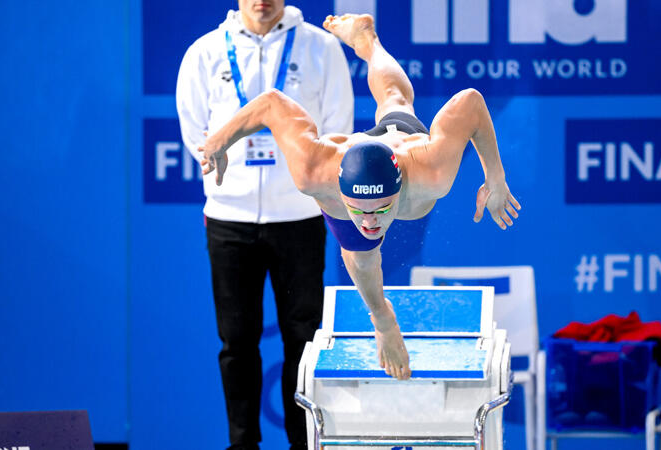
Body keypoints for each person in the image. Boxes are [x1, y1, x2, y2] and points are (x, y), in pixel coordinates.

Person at [201, 13, 522, 382]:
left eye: (381, 209)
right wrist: (220, 139)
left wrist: (495, 177)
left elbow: (470, 102)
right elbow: (272, 104)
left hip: (400, 145)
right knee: (363, 259)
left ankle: (366, 39)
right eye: (362, 210)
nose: (370, 222)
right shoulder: (315, 172)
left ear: (399, 188)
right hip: (344, 166)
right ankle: (384, 321)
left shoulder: (430, 170)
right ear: (342, 194)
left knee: (396, 99)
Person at [176, 2, 353, 449]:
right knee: (236, 341)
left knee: (303, 340)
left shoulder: (321, 48)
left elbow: (338, 132)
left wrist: (302, 176)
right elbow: (197, 133)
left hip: (300, 217)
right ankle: (242, 445)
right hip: (229, 218)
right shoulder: (205, 52)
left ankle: (305, 444)